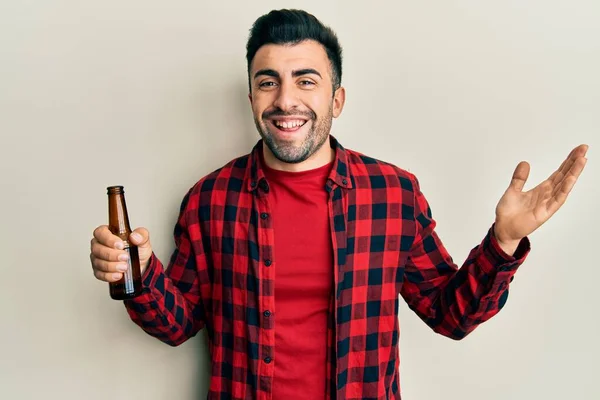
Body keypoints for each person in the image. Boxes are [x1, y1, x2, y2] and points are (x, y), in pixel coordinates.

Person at [89, 9, 588, 400]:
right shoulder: (209, 199)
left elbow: (448, 316)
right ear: (251, 98)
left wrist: (503, 242)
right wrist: (137, 272)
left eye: (306, 81)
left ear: (337, 100)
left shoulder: (394, 194)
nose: (286, 100)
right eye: (268, 82)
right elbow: (178, 324)